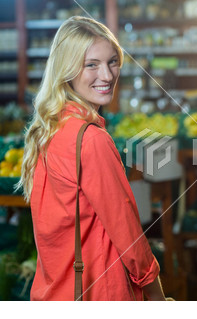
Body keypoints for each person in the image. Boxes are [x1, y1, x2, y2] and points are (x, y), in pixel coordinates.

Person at [17, 16, 167, 301]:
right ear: (68, 70)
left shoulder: (49, 130)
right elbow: (129, 236)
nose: (108, 75)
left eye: (112, 62)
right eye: (92, 64)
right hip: (98, 292)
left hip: (55, 294)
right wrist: (158, 299)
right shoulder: (91, 140)